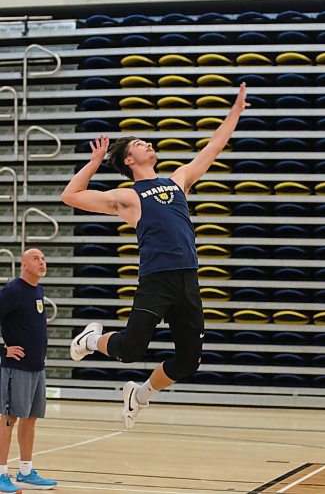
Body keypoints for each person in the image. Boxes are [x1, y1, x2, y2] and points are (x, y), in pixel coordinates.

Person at [61, 82, 249, 430]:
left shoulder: (178, 181)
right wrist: (94, 162)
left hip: (187, 278)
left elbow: (213, 147)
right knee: (131, 349)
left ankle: (140, 394)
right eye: (139, 144)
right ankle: (89, 339)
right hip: (157, 279)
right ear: (130, 160)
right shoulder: (127, 196)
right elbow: (70, 196)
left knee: (189, 361)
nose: (148, 143)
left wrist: (235, 112)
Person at [0, 248, 57, 493]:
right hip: (16, 368)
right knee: (8, 420)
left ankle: (25, 471)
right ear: (24, 265)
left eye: (43, 258)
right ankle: (1, 473)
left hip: (37, 368)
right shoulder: (12, 291)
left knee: (30, 419)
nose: (42, 262)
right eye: (36, 258)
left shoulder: (38, 290)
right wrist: (3, 351)